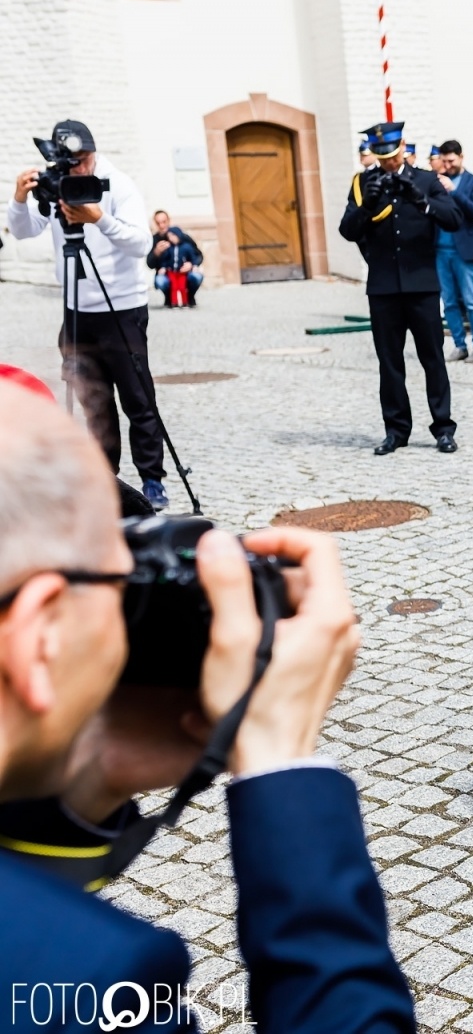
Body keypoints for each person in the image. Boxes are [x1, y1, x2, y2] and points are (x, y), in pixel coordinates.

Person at [0, 376, 417, 1031]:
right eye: (119, 572)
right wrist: (283, 770)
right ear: (39, 635)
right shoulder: (90, 976)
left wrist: (84, 781)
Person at [7, 119, 171, 512]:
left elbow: (140, 244)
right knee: (94, 402)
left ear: (94, 153)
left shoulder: (120, 184)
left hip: (122, 309)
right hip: (77, 308)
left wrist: (99, 219)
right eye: (70, 162)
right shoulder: (57, 183)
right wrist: (18, 198)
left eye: (82, 161)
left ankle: (152, 481)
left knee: (137, 398)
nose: (76, 169)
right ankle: (104, 479)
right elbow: (25, 230)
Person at [339, 121, 463, 456]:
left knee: (432, 358)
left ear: (403, 147)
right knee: (389, 362)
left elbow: (452, 219)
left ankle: (443, 428)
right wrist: (367, 208)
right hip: (383, 288)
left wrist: (421, 200)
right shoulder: (364, 183)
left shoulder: (424, 179)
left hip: (422, 286)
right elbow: (347, 230)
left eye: (392, 156)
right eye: (382, 157)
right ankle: (396, 430)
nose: (388, 163)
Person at [434, 140, 473, 364]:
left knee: (470, 299)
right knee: (448, 301)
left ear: (461, 157)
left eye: (451, 161)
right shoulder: (435, 181)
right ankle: (459, 345)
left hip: (464, 250)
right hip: (440, 250)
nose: (447, 165)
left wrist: (453, 190)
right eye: (444, 161)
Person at [147, 210, 203, 308]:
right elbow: (149, 264)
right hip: (167, 274)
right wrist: (156, 253)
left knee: (196, 276)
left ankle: (190, 298)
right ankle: (169, 299)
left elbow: (199, 255)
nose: (161, 225)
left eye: (164, 222)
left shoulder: (183, 237)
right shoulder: (154, 240)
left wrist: (191, 264)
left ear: (168, 221)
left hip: (185, 273)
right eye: (158, 223)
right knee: (160, 280)